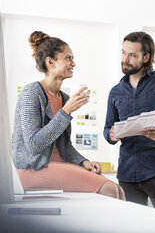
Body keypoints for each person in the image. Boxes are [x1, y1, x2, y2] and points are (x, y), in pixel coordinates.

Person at [12, 31, 125, 200]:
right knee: (109, 188)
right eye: (68, 58)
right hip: (32, 168)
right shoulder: (32, 92)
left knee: (117, 189)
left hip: (56, 166)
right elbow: (34, 145)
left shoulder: (64, 98)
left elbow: (65, 147)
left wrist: (83, 161)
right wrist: (66, 112)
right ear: (50, 62)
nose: (74, 63)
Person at [103, 31, 155, 213]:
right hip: (127, 173)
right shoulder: (115, 92)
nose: (125, 59)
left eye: (132, 55)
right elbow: (107, 129)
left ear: (146, 57)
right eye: (123, 52)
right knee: (132, 226)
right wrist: (110, 135)